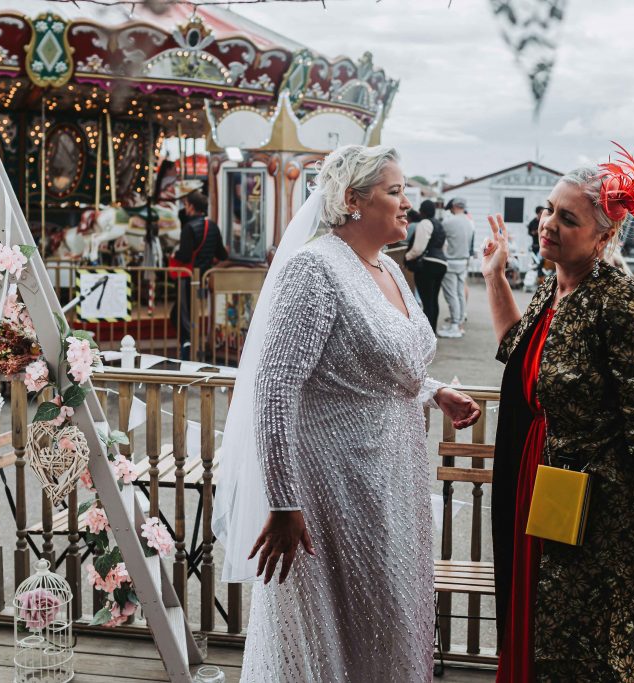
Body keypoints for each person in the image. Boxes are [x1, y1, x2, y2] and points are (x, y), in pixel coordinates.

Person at [213, 145, 481, 682]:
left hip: (391, 477)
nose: (409, 203)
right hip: (327, 487)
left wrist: (432, 392)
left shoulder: (386, 268)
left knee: (387, 615)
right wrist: (285, 501)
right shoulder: (313, 269)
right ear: (352, 200)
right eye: (395, 191)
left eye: (406, 190)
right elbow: (276, 390)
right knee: (333, 625)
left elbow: (373, 359)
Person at [484, 154, 634, 682]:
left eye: (568, 219)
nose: (548, 224)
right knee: (548, 639)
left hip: (606, 515)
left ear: (603, 238)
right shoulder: (555, 287)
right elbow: (520, 354)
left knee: (592, 653)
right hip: (546, 490)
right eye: (548, 211)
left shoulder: (621, 305)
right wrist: (495, 276)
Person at [169, 191, 227, 359]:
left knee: (183, 315)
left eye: (186, 205)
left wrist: (174, 256)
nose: (185, 208)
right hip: (203, 277)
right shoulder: (213, 226)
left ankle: (188, 348)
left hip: (188, 277)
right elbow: (222, 254)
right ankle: (189, 344)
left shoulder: (189, 228)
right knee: (184, 313)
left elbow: (185, 255)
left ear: (192, 207)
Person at [405, 199, 448, 329]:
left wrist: (407, 257)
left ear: (422, 211)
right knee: (434, 301)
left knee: (427, 301)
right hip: (441, 263)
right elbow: (444, 246)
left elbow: (418, 248)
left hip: (428, 264)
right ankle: (432, 332)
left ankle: (427, 334)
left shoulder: (425, 223)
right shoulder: (439, 225)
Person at [438, 197, 475, 338]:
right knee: (459, 293)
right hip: (464, 261)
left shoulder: (448, 222)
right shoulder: (469, 222)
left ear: (453, 206)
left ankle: (454, 326)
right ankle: (458, 324)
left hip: (451, 261)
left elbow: (439, 239)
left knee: (451, 294)